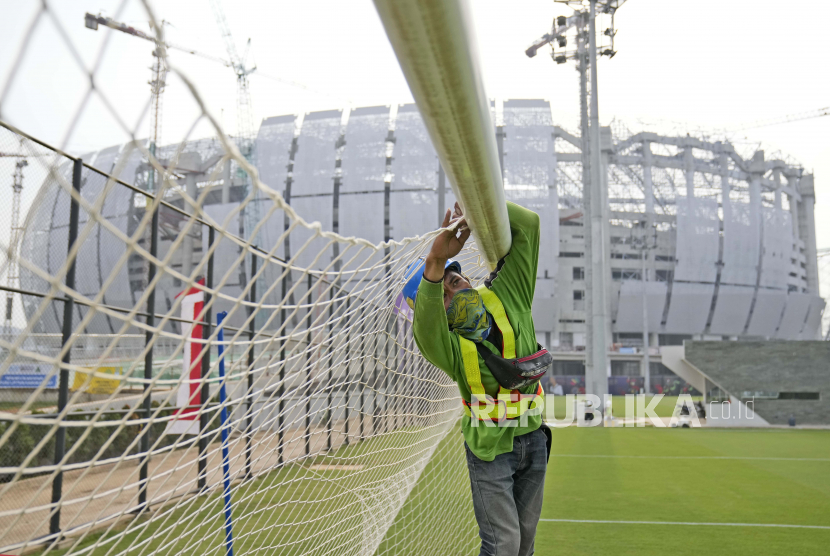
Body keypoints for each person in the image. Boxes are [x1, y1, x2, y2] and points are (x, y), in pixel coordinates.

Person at [403, 201, 550, 556]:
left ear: (467, 277)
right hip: (489, 451)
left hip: (533, 441)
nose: (455, 294)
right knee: (504, 546)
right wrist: (436, 263)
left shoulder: (509, 296)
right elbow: (427, 321)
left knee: (525, 545)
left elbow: (528, 225)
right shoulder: (444, 344)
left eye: (455, 282)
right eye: (444, 296)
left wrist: (477, 205)